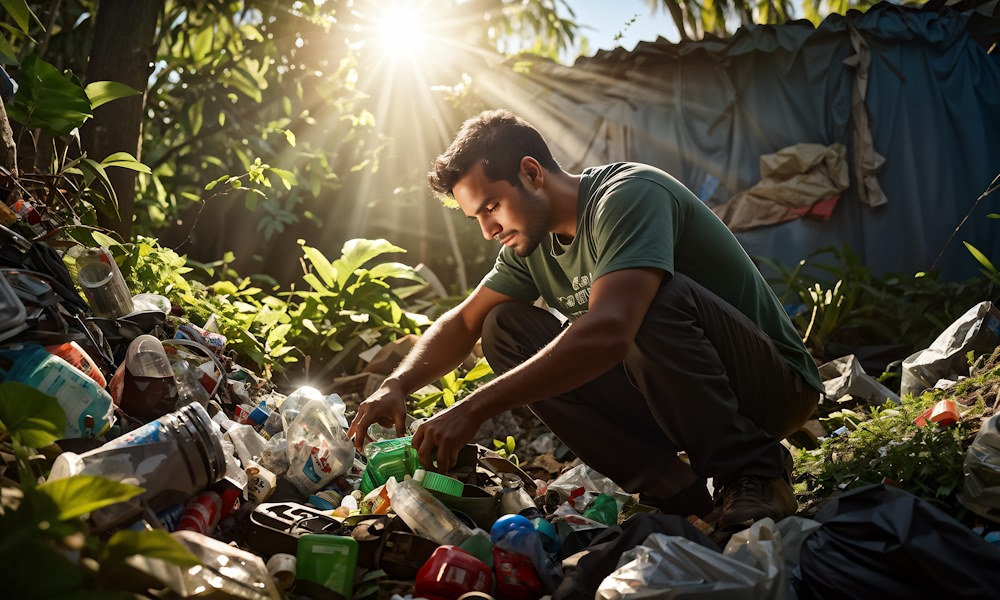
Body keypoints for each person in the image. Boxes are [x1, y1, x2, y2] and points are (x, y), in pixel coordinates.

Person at [347, 109, 823, 530]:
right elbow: (465, 320)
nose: (488, 229)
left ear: (531, 172)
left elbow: (611, 331)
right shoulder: (530, 245)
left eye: (491, 207)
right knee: (503, 327)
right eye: (477, 217)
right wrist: (398, 383)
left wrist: (473, 408)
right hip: (672, 396)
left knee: (644, 302)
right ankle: (674, 489)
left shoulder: (628, 194)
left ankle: (754, 471)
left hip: (772, 388)